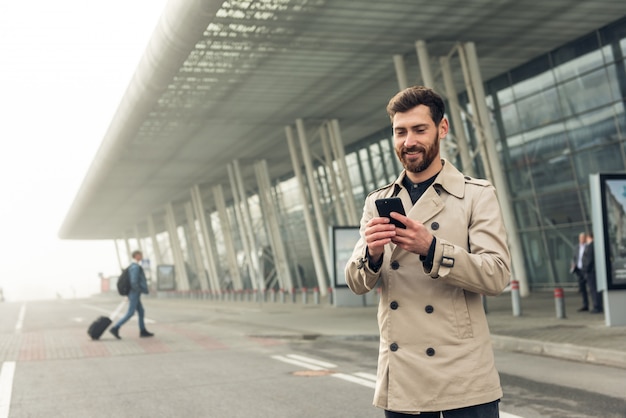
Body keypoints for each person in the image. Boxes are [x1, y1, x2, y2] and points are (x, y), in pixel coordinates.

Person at [345, 86, 511, 417]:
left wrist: (432, 249)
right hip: (403, 377)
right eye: (400, 132)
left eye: (419, 129)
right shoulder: (376, 202)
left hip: (464, 379)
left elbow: (497, 275)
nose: (409, 142)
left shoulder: (476, 195)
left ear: (442, 128)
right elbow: (356, 282)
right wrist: (373, 255)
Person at [110, 250, 154, 339]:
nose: (142, 256)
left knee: (141, 311)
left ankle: (143, 330)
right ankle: (115, 327)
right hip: (134, 292)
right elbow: (133, 281)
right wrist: (139, 289)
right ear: (136, 256)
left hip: (134, 292)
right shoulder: (135, 267)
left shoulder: (133, 266)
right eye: (140, 255)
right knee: (130, 313)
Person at [582, 232, 602, 313]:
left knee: (593, 289)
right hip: (594, 270)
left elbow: (590, 259)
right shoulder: (595, 245)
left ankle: (597, 306)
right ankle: (598, 305)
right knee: (595, 289)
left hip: (591, 271)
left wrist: (586, 269)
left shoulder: (591, 246)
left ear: (589, 237)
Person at [571, 232, 589, 311]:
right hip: (579, 270)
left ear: (585, 238)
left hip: (587, 270)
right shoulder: (576, 248)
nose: (581, 239)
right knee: (583, 289)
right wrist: (573, 264)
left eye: (583, 238)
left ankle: (597, 304)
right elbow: (574, 258)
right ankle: (585, 305)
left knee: (592, 288)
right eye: (580, 238)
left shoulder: (588, 247)